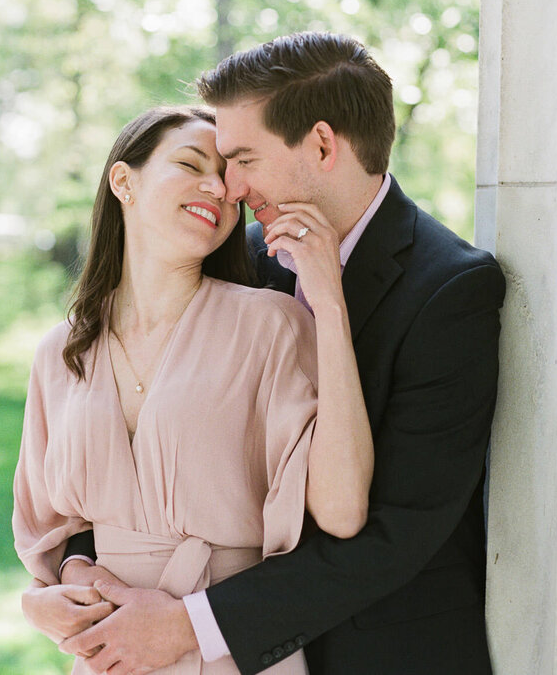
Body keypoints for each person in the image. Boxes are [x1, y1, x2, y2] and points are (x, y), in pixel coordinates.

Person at [47, 33, 506, 675]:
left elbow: (399, 532)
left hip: (378, 653)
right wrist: (85, 567)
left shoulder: (451, 289)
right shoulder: (245, 258)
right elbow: (145, 434)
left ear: (321, 144)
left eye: (242, 158)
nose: (229, 188)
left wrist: (191, 626)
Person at [11, 105, 375, 675]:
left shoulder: (270, 324)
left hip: (232, 652)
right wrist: (48, 597)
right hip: (109, 657)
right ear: (123, 181)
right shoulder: (62, 354)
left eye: (229, 179)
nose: (219, 187)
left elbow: (343, 511)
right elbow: (52, 532)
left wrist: (328, 306)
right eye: (190, 163)